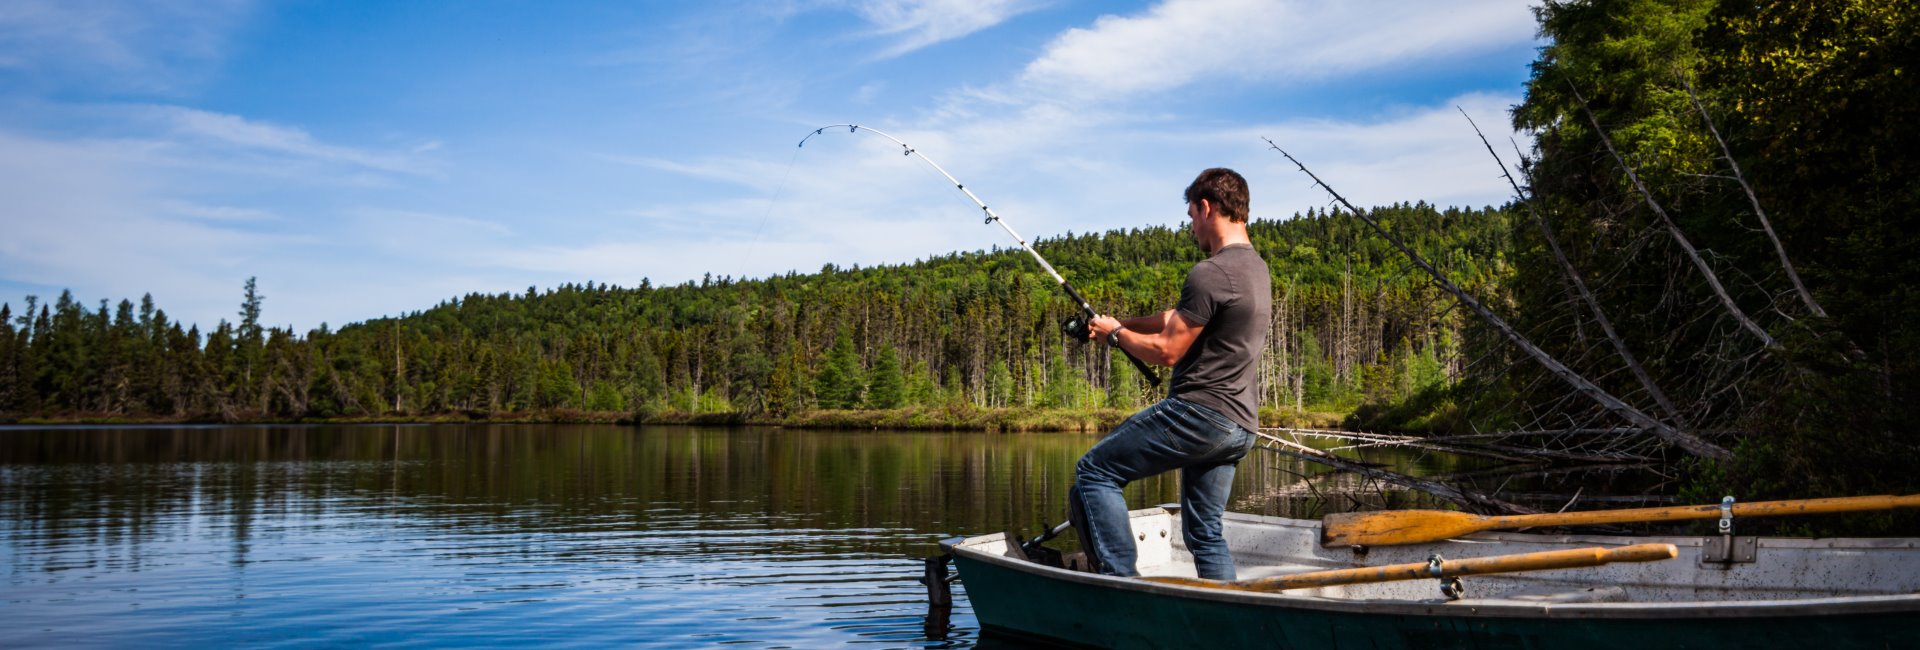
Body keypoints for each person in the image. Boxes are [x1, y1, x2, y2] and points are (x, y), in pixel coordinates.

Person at [1074, 167, 1271, 580]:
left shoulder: (1210, 271)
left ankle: (1119, 584)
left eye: (1191, 216)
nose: (1191, 226)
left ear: (1205, 206)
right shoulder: (1255, 270)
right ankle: (1226, 612)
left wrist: (1116, 337)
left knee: (1095, 471)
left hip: (1200, 415)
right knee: (1203, 532)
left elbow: (1167, 351)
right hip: (1239, 426)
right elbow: (1177, 319)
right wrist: (1119, 322)